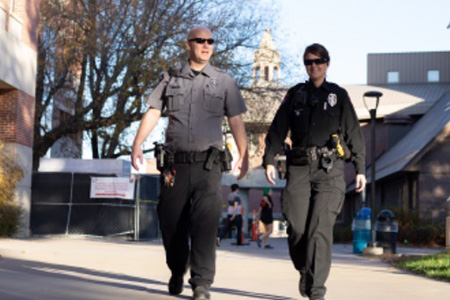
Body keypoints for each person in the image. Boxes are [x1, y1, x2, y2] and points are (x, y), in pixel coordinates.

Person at [131, 26, 248, 300]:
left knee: (205, 224)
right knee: (170, 220)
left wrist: (243, 154)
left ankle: (201, 283)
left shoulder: (224, 81)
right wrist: (137, 143)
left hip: (209, 165)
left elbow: (236, 120)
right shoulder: (170, 78)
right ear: (188, 45)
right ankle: (177, 267)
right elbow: (153, 111)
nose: (206, 45)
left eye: (210, 41)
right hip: (176, 166)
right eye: (200, 41)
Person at [262, 43, 366, 300]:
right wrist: (269, 160)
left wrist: (361, 168)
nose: (314, 65)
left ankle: (317, 290)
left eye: (319, 61)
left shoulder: (338, 95)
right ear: (305, 65)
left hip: (329, 171)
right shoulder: (295, 94)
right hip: (298, 168)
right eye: (309, 62)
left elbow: (353, 132)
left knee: (320, 229)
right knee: (297, 228)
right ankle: (305, 271)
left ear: (327, 63)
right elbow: (277, 129)